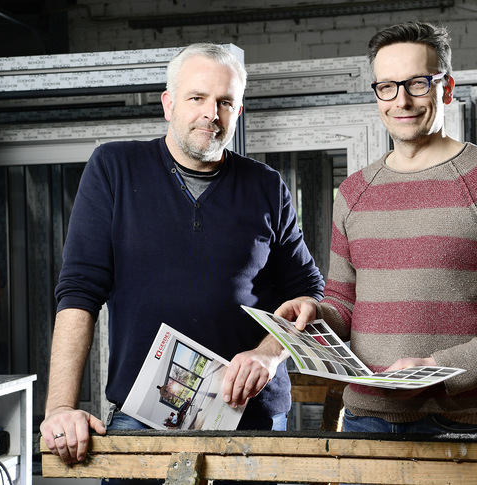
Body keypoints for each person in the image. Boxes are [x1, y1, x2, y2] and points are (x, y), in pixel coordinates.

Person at [40, 43, 324, 465]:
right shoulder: (114, 168)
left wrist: (269, 354)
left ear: (238, 111)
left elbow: (309, 294)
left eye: (225, 102)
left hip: (252, 419)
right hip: (144, 416)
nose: (211, 113)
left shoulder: (266, 185)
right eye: (197, 98)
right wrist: (60, 407)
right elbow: (79, 291)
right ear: (168, 103)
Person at [276, 21, 477, 436]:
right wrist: (315, 312)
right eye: (387, 87)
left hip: (462, 426)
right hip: (366, 422)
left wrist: (438, 371)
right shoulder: (354, 191)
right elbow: (344, 303)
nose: (402, 101)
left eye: (417, 84)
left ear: (446, 88)